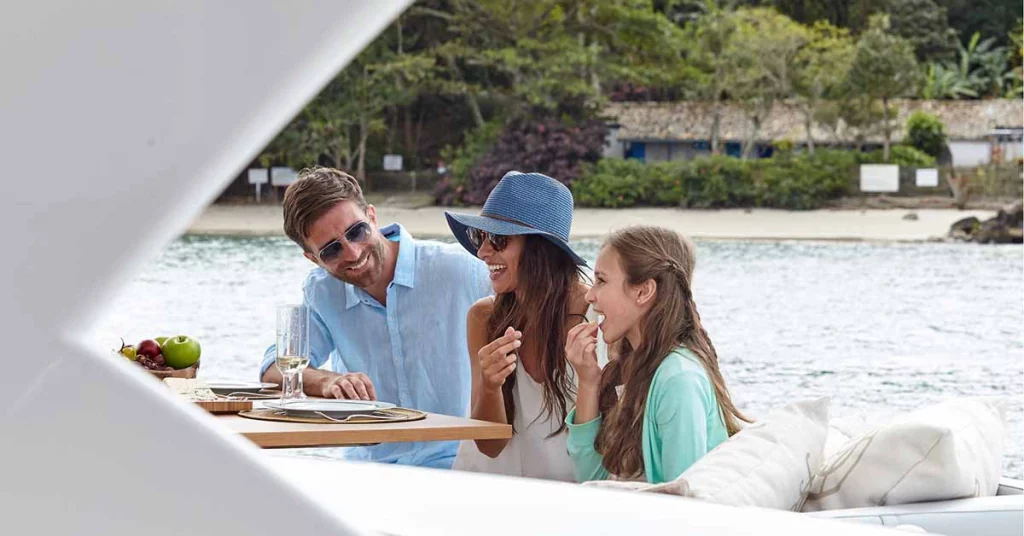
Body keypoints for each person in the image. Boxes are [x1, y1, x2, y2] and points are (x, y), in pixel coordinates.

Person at [258, 166, 491, 469]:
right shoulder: (322, 292)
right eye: (331, 250)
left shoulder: (462, 270)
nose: (353, 253)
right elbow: (274, 367)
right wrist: (328, 381)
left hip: (459, 467)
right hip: (369, 472)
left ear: (372, 216)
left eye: (357, 231)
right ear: (312, 258)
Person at [444, 171, 606, 482]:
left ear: (540, 248)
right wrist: (490, 386)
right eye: (480, 237)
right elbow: (489, 446)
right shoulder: (484, 317)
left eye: (498, 239)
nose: (483, 252)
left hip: (572, 497)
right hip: (492, 490)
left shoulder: (598, 320)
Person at [564, 226, 750, 484]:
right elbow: (593, 479)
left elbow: (681, 498)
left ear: (643, 291)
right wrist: (587, 382)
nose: (589, 295)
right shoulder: (633, 369)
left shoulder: (678, 379)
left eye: (602, 281)